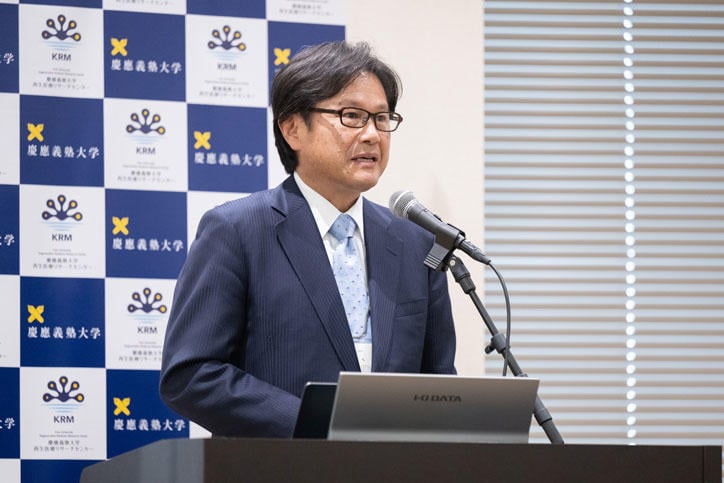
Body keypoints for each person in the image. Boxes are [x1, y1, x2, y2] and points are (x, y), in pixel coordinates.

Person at [159, 40, 456, 438]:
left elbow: (438, 382)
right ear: (293, 128)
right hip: (282, 462)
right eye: (352, 116)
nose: (372, 135)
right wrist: (314, 424)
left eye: (382, 118)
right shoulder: (236, 231)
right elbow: (191, 374)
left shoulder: (415, 244)